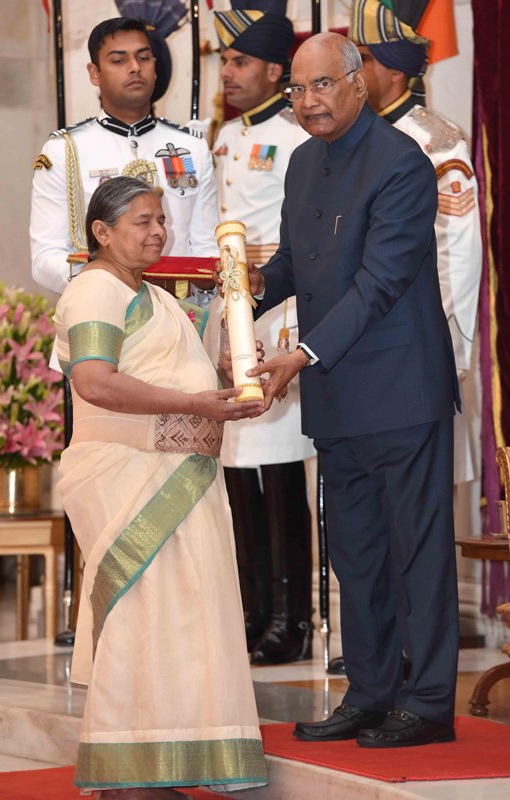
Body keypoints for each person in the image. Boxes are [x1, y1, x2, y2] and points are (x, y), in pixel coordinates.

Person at [238, 32, 461, 748]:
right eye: (298, 91)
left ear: (357, 84)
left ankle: (425, 701)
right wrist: (255, 284)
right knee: (355, 553)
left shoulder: (401, 164)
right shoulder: (303, 163)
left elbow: (380, 280)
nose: (307, 103)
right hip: (336, 398)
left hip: (398, 392)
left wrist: (302, 352)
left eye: (321, 86)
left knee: (415, 553)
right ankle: (367, 693)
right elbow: (295, 264)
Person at [54, 176, 268, 797]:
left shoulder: (156, 296)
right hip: (129, 475)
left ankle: (163, 762)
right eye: (142, 222)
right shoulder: (94, 288)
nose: (157, 232)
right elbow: (95, 382)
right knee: (140, 619)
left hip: (182, 474)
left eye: (161, 221)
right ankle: (126, 775)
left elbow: (184, 369)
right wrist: (197, 400)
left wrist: (236, 371)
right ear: (101, 232)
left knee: (182, 622)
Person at [202, 1, 315, 665]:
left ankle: (291, 618)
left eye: (240, 60)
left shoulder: (300, 136)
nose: (228, 72)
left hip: (277, 314)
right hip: (230, 312)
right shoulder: (224, 137)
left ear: (276, 67)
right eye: (224, 60)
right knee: (237, 471)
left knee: (275, 471)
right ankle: (251, 613)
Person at [350, 1, 482, 487]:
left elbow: (457, 253)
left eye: (362, 57)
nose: (353, 69)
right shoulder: (352, 136)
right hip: (360, 339)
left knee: (420, 493)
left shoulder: (437, 141)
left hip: (416, 345)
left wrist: (438, 337)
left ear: (394, 69)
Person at [31, 17, 219, 295]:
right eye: (118, 61)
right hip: (99, 308)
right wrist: (106, 281)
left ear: (155, 66)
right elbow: (46, 256)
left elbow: (206, 246)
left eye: (143, 58)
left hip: (180, 312)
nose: (134, 68)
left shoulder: (191, 147)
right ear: (94, 73)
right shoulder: (65, 150)